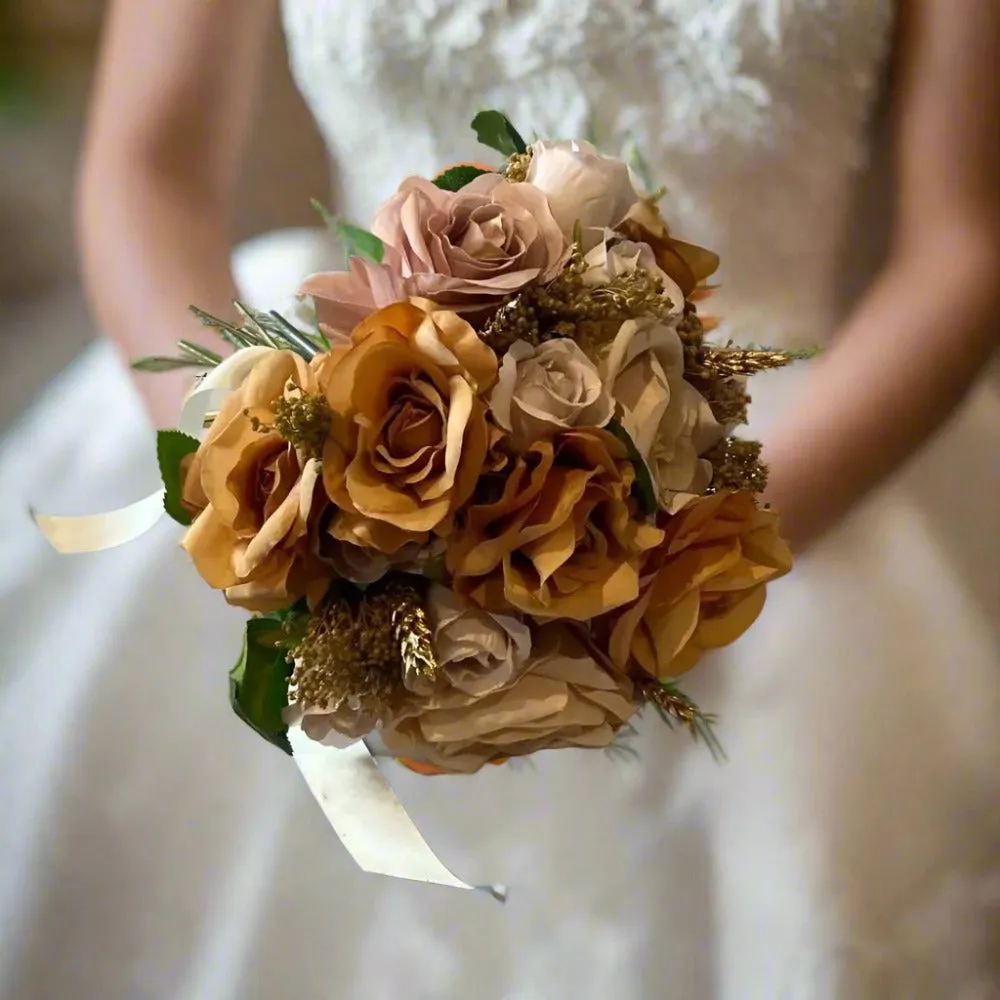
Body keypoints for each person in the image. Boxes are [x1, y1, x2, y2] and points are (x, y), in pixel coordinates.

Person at [1, 1, 997, 997]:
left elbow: (961, 245)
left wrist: (661, 565)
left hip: (785, 465)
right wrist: (273, 479)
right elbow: (149, 167)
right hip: (345, 415)